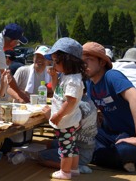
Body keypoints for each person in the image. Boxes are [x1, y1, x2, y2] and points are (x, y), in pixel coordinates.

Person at [82, 42, 136, 172]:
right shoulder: (89, 83)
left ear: (102, 63)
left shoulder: (112, 76)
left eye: (89, 59)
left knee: (123, 151)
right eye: (82, 60)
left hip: (131, 134)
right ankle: (120, 161)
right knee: (79, 139)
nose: (84, 64)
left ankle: (118, 158)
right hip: (113, 134)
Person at [44, 37, 86, 180]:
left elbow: (70, 102)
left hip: (66, 121)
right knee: (71, 146)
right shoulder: (66, 77)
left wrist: (58, 115)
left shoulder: (73, 80)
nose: (53, 64)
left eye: (56, 61)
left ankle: (65, 172)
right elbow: (57, 92)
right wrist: (54, 77)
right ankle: (73, 169)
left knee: (65, 148)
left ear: (69, 60)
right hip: (68, 120)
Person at [38, 92, 98, 174]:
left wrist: (50, 117)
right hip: (87, 148)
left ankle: (74, 167)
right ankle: (74, 166)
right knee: (49, 144)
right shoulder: (87, 100)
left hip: (78, 151)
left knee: (41, 157)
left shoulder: (77, 106)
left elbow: (67, 130)